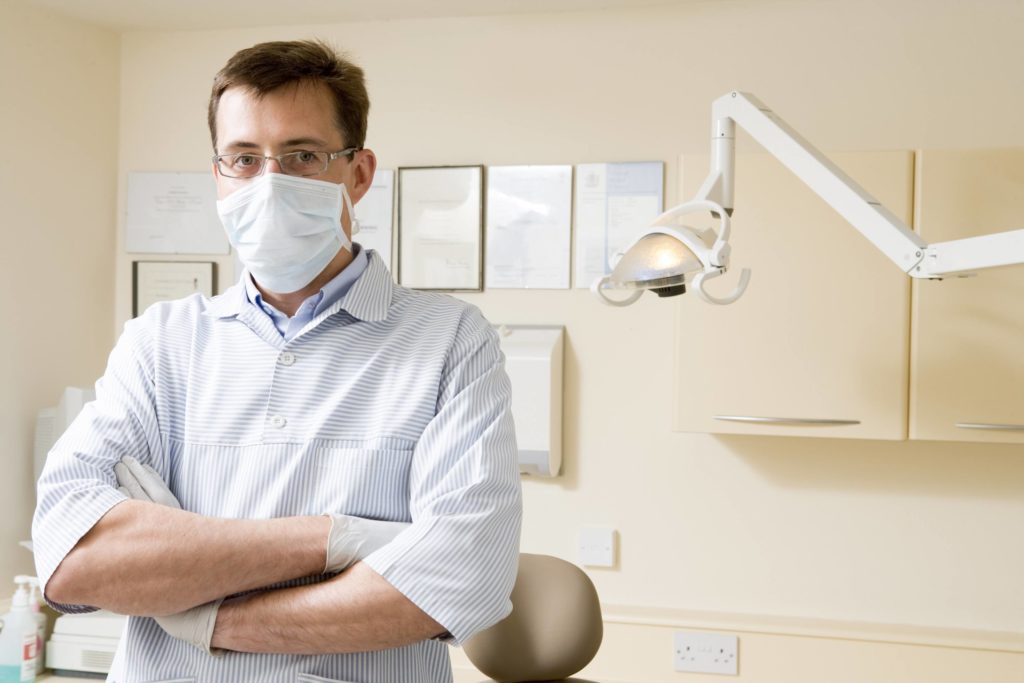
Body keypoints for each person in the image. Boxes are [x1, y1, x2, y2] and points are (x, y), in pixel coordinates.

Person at [32, 39, 522, 683]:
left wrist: (204, 618)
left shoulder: (450, 341)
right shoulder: (159, 343)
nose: (269, 183)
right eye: (243, 158)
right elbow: (74, 562)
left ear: (359, 173)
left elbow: (460, 578)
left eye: (303, 156)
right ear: (218, 175)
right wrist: (340, 538)